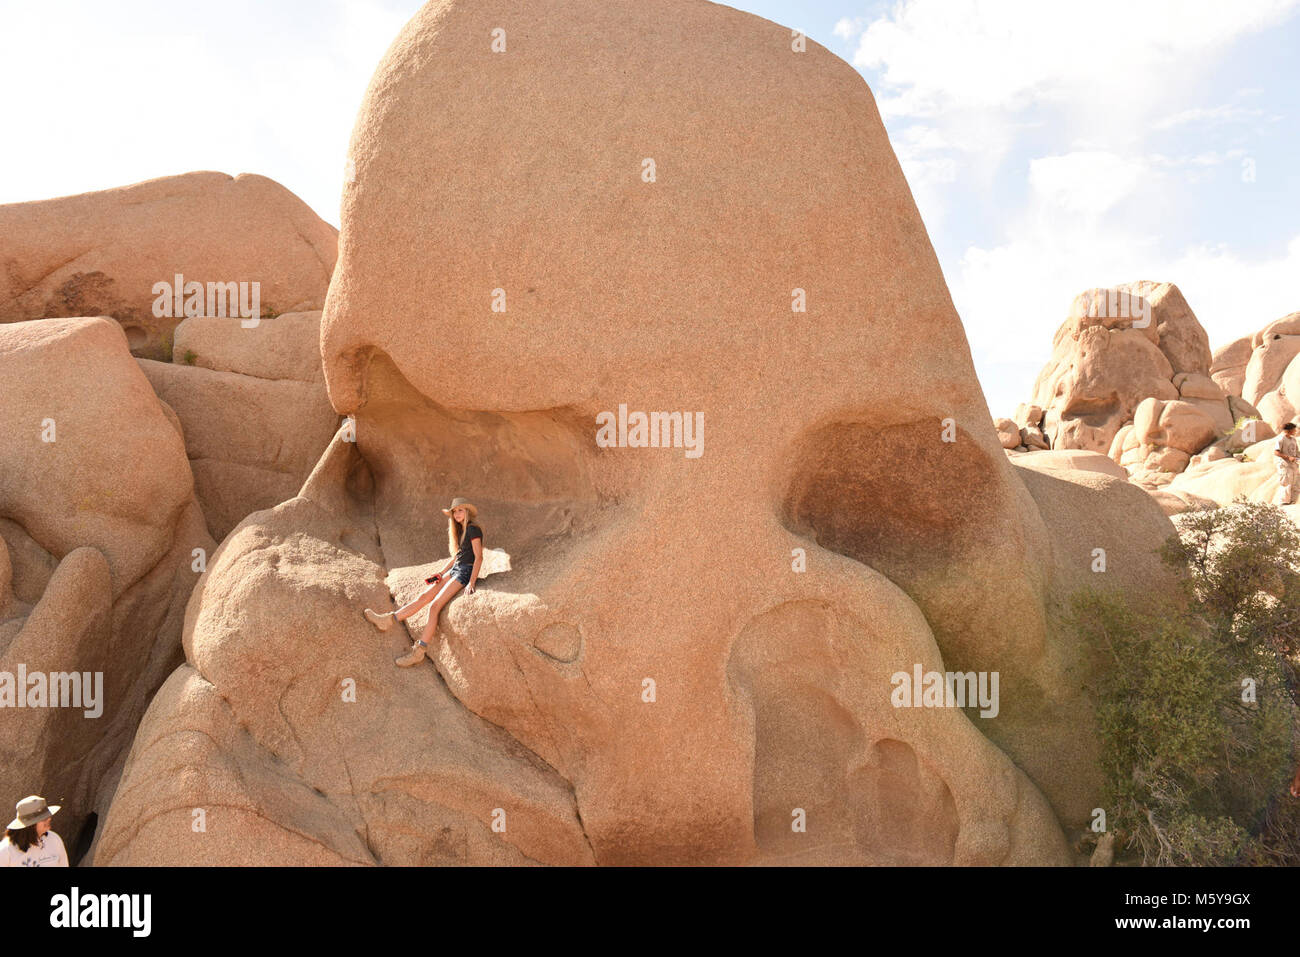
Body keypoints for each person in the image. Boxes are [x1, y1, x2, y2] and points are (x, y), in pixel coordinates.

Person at [364, 497, 484, 667]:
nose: (457, 514)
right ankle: (389, 619)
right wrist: (441, 573)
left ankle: (419, 652)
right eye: (454, 511)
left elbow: (479, 557)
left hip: (465, 572)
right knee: (424, 596)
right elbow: (458, 556)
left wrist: (471, 582)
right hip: (455, 569)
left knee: (434, 607)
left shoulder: (473, 530)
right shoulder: (461, 530)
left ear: (467, 511)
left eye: (460, 510)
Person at [0, 795, 68, 867]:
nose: (49, 819)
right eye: (43, 818)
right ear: (30, 825)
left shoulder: (55, 839)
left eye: (48, 816)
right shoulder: (6, 850)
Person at [1274, 422, 1299, 506]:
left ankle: (1292, 501)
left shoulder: (1293, 439)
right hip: (1285, 465)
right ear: (1289, 430)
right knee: (1286, 483)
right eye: (1294, 429)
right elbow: (1276, 452)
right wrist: (1288, 458)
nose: (1295, 431)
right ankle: (1284, 502)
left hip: (1294, 465)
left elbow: (1296, 452)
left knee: (1295, 483)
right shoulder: (1281, 439)